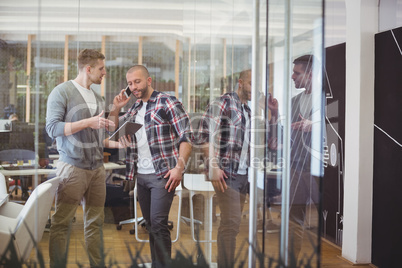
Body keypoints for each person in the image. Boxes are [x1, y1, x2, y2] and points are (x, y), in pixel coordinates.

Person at [106, 65, 193, 268]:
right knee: (152, 225)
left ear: (149, 80)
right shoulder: (135, 108)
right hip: (141, 176)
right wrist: (116, 107)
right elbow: (112, 130)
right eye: (129, 83)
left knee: (159, 223)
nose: (134, 86)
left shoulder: (167, 102)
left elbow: (187, 136)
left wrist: (179, 167)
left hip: (163, 173)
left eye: (137, 81)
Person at [46, 49, 115, 268]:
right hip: (72, 169)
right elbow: (52, 128)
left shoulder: (98, 98)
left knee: (96, 223)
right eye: (101, 69)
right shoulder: (62, 92)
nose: (104, 73)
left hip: (97, 170)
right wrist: (87, 122)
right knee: (61, 223)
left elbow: (99, 136)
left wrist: (116, 135)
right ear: (89, 69)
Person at [197, 69, 252, 268]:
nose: (255, 89)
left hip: (243, 174)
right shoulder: (224, 103)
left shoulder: (248, 110)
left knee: (231, 225)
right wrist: (213, 167)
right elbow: (204, 134)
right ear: (240, 83)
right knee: (231, 223)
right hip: (226, 173)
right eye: (251, 84)